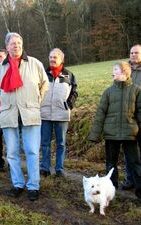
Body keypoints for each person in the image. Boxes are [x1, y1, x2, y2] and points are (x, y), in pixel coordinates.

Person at [0, 32, 49, 201]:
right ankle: (18, 184)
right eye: (12, 43)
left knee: (32, 151)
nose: (16, 46)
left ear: (22, 45)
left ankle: (33, 186)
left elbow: (44, 85)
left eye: (18, 43)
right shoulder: (0, 68)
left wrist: (35, 102)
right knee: (12, 152)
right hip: (9, 113)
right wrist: (8, 103)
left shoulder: (34, 64)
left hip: (30, 113)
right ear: (7, 46)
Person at [89, 61, 141, 199]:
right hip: (111, 135)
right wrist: (95, 134)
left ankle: (140, 190)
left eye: (115, 69)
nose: (112, 72)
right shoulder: (108, 92)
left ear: (124, 72)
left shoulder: (137, 90)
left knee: (135, 163)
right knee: (111, 164)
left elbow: (140, 113)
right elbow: (100, 113)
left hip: (130, 134)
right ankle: (110, 191)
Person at [40, 48, 78, 177]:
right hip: (44, 114)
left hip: (62, 114)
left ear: (62, 59)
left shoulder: (68, 75)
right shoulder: (43, 73)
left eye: (55, 57)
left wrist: (69, 104)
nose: (52, 59)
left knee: (61, 143)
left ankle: (59, 169)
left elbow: (74, 92)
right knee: (45, 143)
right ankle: (45, 168)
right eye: (50, 57)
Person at [122, 44, 141, 190]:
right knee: (129, 150)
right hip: (128, 115)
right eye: (131, 52)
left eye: (136, 53)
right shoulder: (124, 69)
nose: (133, 55)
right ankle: (130, 180)